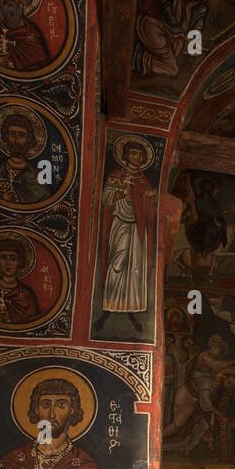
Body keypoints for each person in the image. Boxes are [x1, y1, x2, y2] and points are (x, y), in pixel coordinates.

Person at [95, 140, 156, 333]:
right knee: (117, 263)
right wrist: (122, 192)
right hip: (120, 223)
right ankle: (109, 307)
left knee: (135, 268)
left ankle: (132, 310)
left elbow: (150, 207)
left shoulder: (144, 180)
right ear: (126, 156)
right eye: (133, 154)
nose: (136, 157)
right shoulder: (115, 176)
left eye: (139, 154)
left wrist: (149, 197)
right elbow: (105, 198)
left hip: (138, 227)